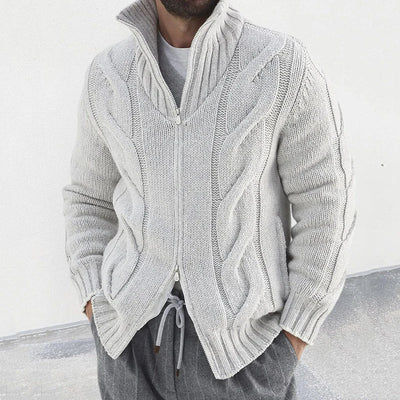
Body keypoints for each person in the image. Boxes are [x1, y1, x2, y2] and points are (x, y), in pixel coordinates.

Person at [62, 0, 357, 398]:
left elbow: (328, 203)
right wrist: (94, 302)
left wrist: (294, 337)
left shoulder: (282, 65)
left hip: (244, 354)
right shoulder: (108, 74)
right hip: (128, 346)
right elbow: (87, 198)